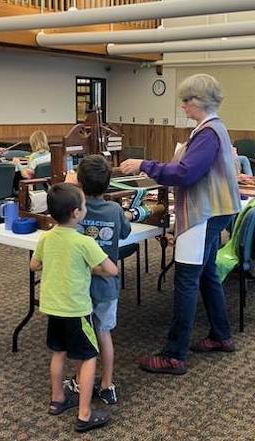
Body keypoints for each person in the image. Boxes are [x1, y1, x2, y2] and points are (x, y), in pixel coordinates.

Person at [120, 74, 241, 375]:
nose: (183, 106)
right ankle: (221, 335)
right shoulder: (214, 128)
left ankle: (174, 355)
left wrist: (144, 165)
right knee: (207, 274)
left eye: (186, 100)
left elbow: (186, 173)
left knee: (186, 280)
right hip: (215, 210)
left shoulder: (208, 133)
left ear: (199, 102)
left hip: (204, 214)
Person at [30, 182, 117, 432]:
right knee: (89, 358)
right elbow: (112, 270)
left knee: (58, 353)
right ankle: (85, 413)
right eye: (84, 205)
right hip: (77, 310)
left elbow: (33, 266)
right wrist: (93, 267)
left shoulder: (46, 236)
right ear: (76, 213)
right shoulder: (84, 242)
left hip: (53, 308)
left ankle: (57, 399)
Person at [64, 155, 131, 404]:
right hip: (107, 286)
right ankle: (107, 384)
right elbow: (125, 232)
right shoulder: (114, 209)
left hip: (81, 286)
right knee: (104, 333)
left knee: (83, 335)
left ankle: (81, 382)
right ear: (109, 182)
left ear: (79, 181)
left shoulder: (76, 211)